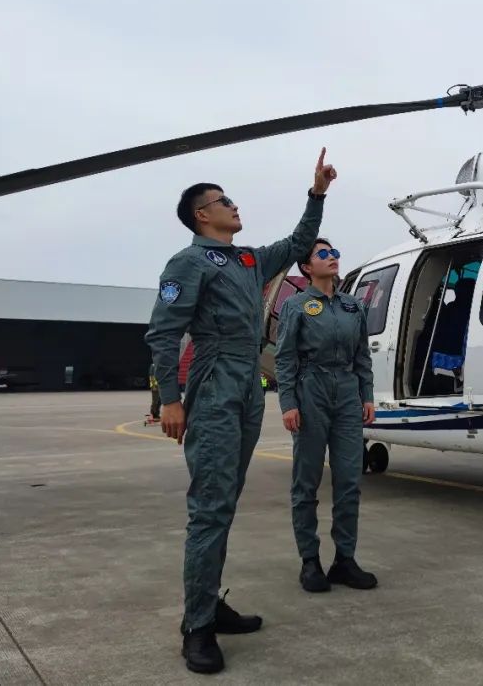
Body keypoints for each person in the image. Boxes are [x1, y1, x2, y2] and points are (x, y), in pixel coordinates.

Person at [145, 149, 336, 675]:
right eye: (223, 200)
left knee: (225, 501)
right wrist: (171, 398)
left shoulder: (248, 261)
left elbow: (297, 244)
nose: (233, 204)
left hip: (249, 384)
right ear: (201, 215)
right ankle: (196, 627)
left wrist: (316, 194)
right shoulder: (187, 263)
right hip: (213, 382)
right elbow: (163, 333)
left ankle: (210, 603)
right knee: (209, 507)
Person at [274, 238, 377, 593]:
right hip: (310, 393)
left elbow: (362, 355)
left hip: (347, 394)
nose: (332, 257)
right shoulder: (296, 306)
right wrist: (288, 402)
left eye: (334, 253)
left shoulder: (353, 306)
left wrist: (367, 395)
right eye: (323, 254)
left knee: (349, 481)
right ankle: (310, 561)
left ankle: (345, 560)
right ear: (306, 267)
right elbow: (285, 357)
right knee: (307, 482)